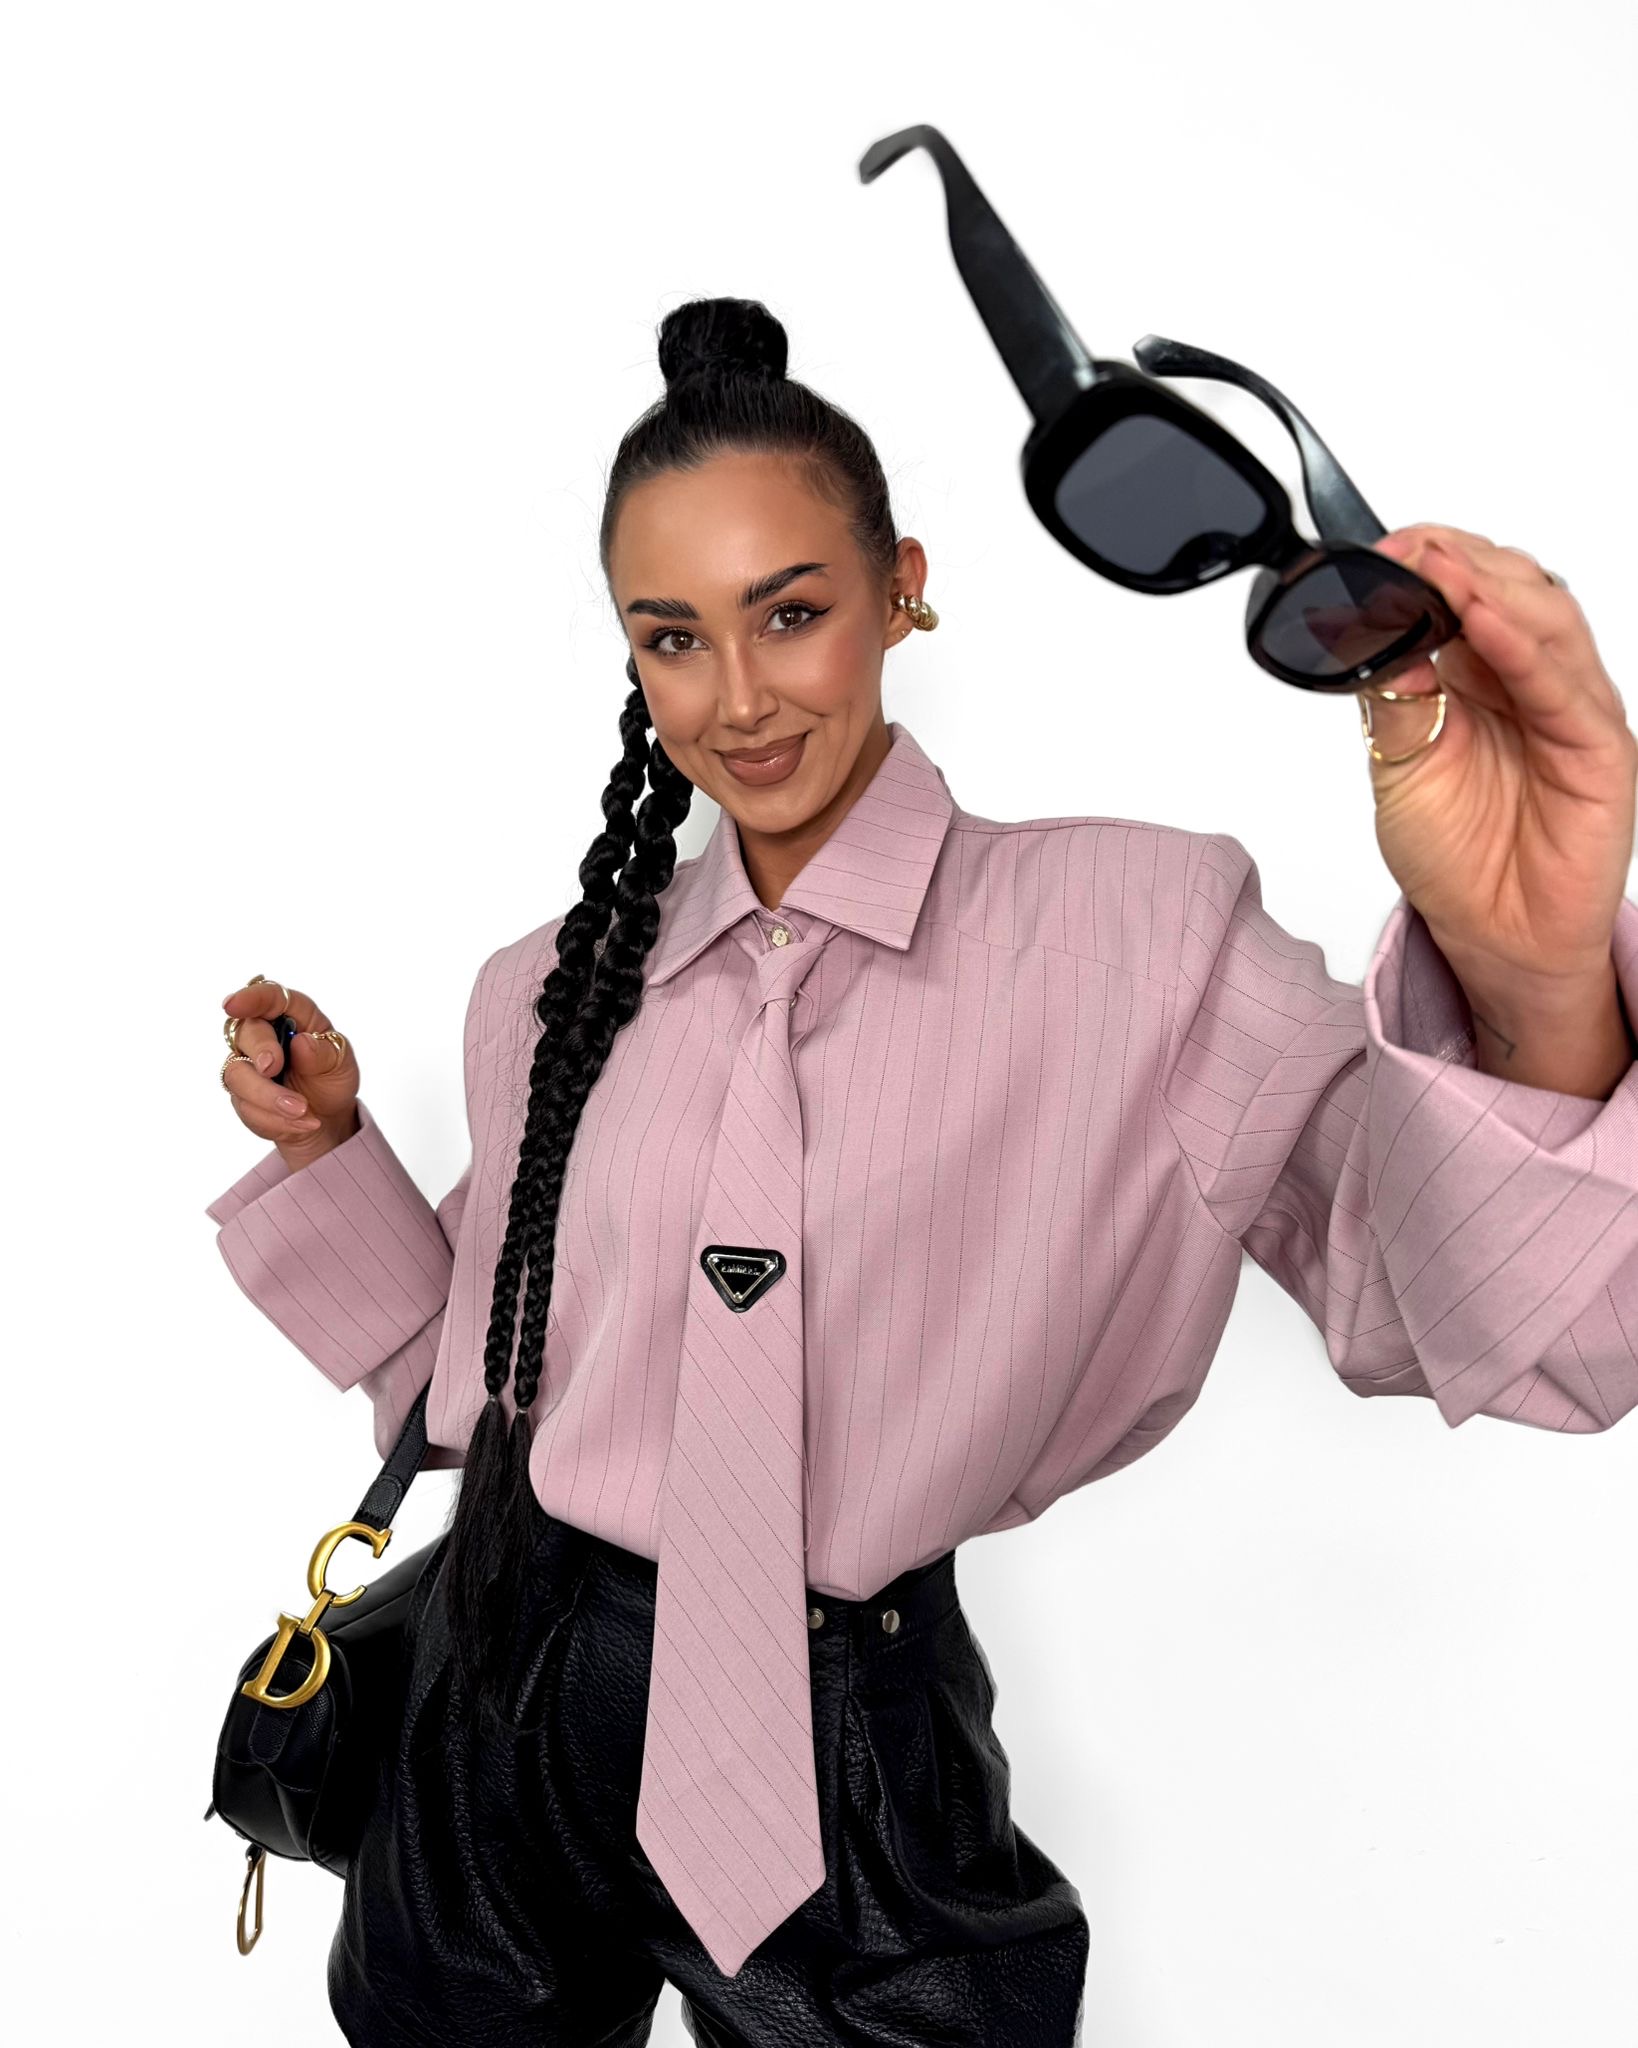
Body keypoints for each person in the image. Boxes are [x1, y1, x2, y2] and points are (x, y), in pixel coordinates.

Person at [209, 295, 1638, 2048]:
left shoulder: (1145, 939)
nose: (738, 699)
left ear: (901, 589)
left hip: (844, 1736)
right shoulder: (554, 988)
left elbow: (1502, 1321)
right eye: (673, 639)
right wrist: (331, 1149)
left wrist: (1535, 978)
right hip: (504, 1679)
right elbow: (471, 1383)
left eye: (791, 613)